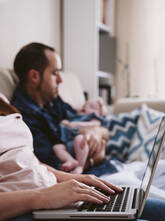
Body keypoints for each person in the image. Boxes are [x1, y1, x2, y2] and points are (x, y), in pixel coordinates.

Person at [1, 99, 165, 221]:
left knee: (160, 210)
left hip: (53, 196)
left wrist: (76, 179)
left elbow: (28, 160)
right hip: (17, 213)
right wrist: (43, 196)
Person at [11, 42, 113, 175]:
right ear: (35, 76)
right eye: (55, 72)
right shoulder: (23, 120)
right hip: (85, 178)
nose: (60, 79)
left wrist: (96, 131)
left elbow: (100, 127)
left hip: (103, 167)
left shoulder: (52, 100)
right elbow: (57, 169)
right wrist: (97, 158)